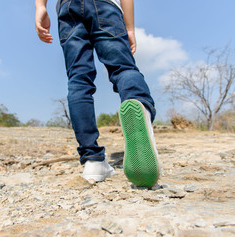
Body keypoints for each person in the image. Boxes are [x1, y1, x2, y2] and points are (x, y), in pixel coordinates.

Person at [35, 0, 159, 187]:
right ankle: (140, 106)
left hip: (68, 8)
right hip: (105, 5)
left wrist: (40, 7)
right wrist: (130, 28)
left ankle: (92, 160)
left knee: (78, 79)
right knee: (123, 68)